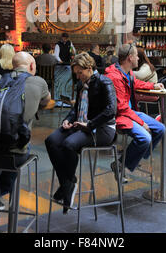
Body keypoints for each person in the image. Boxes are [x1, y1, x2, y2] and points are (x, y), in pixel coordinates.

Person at [0, 52, 50, 211]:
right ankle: (1, 190)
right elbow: (46, 101)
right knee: (21, 147)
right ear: (32, 66)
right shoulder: (38, 82)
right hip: (15, 155)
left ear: (13, 66)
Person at [45, 52, 116, 213]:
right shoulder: (80, 84)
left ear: (89, 68)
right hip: (81, 125)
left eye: (80, 73)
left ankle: (67, 185)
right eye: (76, 73)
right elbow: (76, 108)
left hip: (102, 129)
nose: (78, 76)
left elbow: (111, 111)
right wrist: (68, 119)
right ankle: (67, 183)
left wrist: (89, 124)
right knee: (51, 140)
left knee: (68, 144)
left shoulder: (105, 82)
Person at [105, 43, 165, 180]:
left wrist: (152, 86)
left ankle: (132, 158)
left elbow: (135, 83)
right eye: (137, 56)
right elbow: (121, 108)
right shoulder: (114, 77)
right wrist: (141, 122)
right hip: (120, 115)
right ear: (130, 58)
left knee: (160, 129)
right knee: (145, 138)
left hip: (130, 112)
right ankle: (123, 163)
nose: (139, 58)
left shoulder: (127, 72)